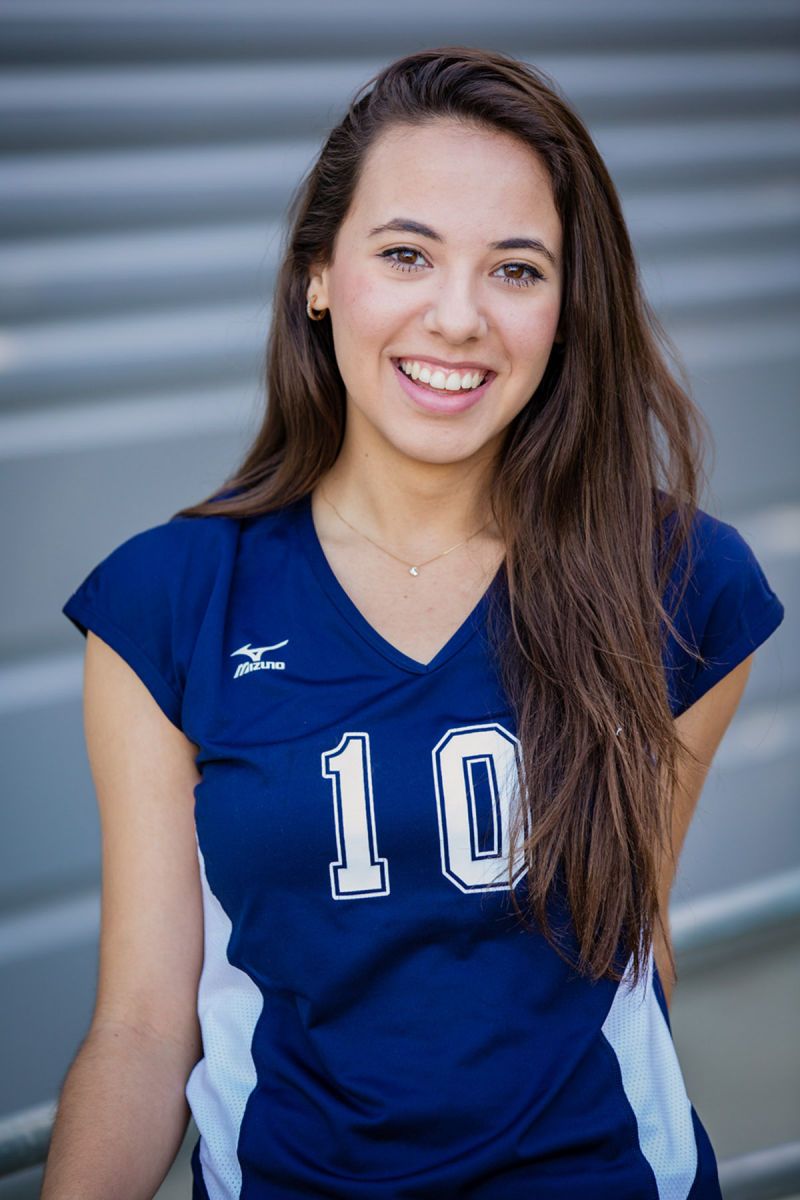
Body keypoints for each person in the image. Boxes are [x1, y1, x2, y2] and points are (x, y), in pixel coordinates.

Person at [44, 46, 784, 1200]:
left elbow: (632, 958)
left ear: (562, 306)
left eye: (516, 270)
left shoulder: (678, 581)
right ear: (318, 277)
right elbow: (142, 1029)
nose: (458, 318)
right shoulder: (166, 602)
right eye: (405, 254)